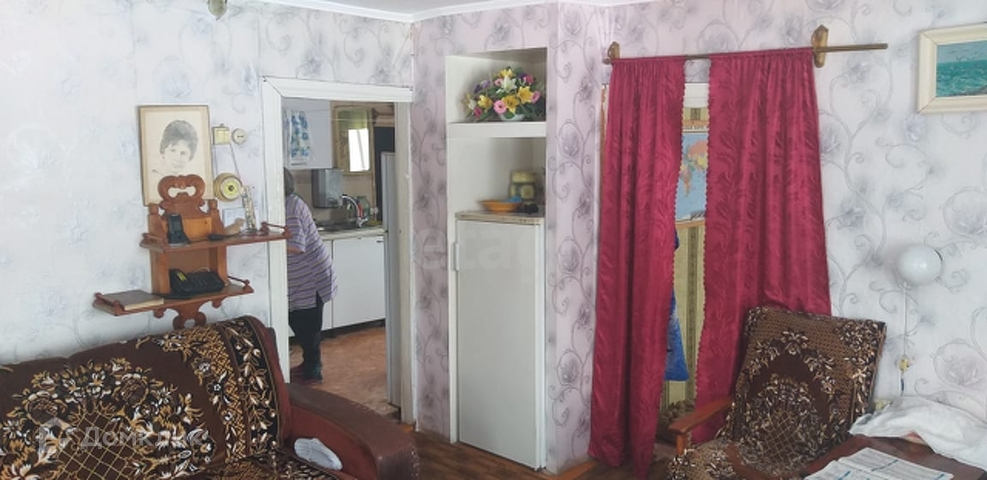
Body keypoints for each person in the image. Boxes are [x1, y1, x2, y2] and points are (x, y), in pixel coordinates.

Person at [285, 168, 337, 385]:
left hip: (311, 276)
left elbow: (297, 246)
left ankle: (313, 370)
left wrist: (269, 243)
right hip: (301, 277)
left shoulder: (291, 206)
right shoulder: (286, 204)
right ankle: (309, 363)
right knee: (297, 319)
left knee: (307, 324)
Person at [147, 119, 201, 203]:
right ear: (163, 150)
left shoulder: (191, 187)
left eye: (183, 153)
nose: (177, 158)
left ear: (190, 156)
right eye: (173, 150)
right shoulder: (152, 180)